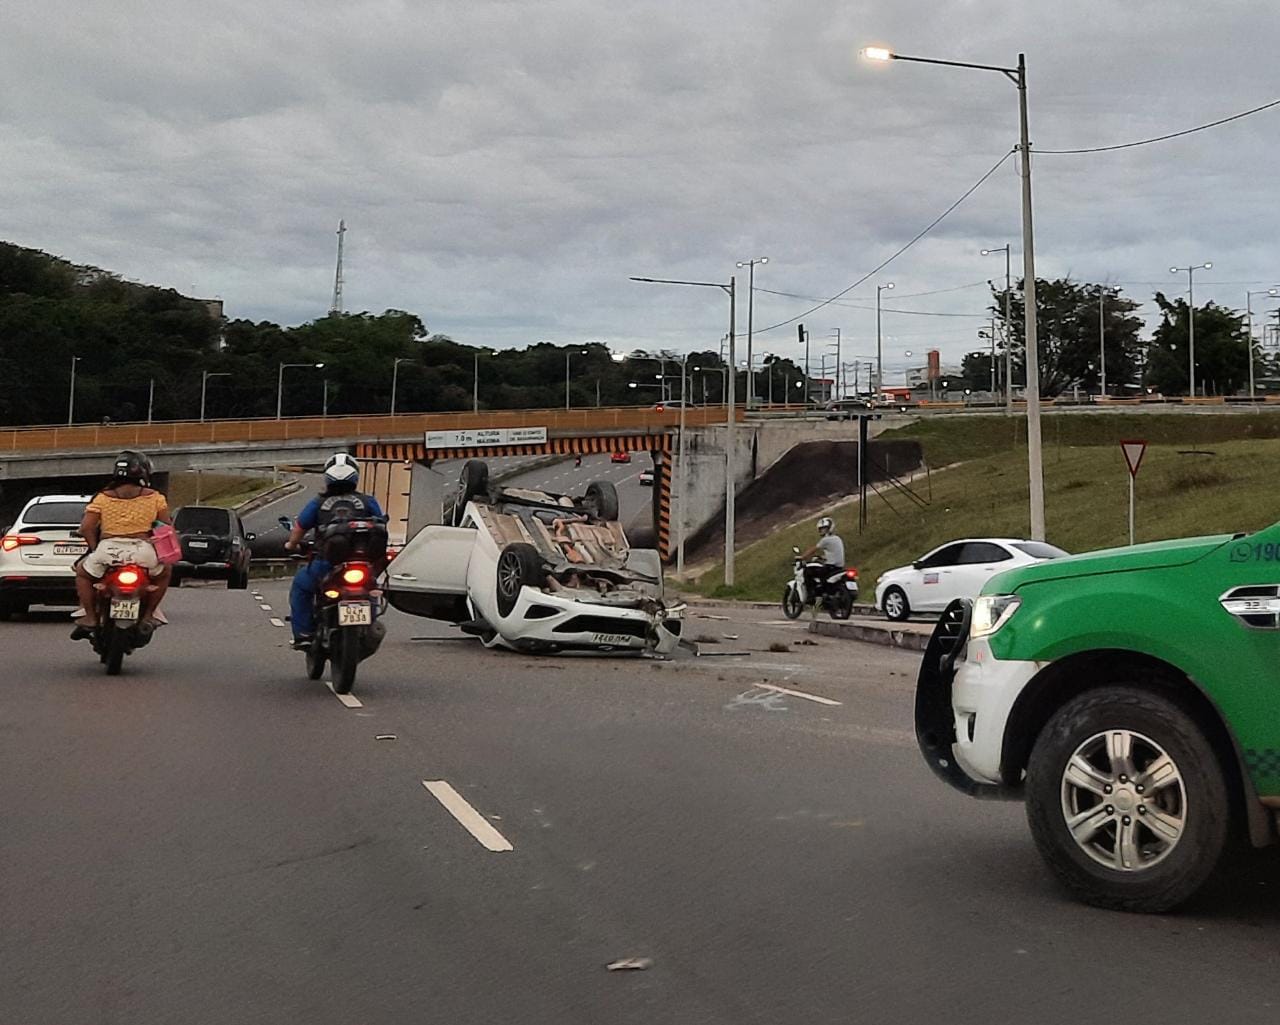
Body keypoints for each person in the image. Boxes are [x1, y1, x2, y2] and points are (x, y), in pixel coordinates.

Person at [285, 453, 385, 648]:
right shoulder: (368, 501)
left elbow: (299, 528)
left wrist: (290, 545)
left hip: (326, 564)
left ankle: (304, 633)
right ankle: (369, 626)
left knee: (301, 586)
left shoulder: (318, 503)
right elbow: (381, 524)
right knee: (371, 588)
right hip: (363, 564)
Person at [71, 450, 172, 639]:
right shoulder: (155, 497)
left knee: (82, 573)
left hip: (108, 550)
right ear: (143, 472)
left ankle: (91, 618)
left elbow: (86, 528)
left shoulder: (103, 497)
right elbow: (165, 528)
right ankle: (149, 615)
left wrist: (94, 549)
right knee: (165, 572)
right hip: (144, 552)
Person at [800, 516, 845, 602]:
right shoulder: (837, 538)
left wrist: (802, 557)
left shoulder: (825, 540)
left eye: (824, 528)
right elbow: (834, 552)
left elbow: (813, 549)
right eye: (820, 529)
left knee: (807, 572)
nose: (821, 530)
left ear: (829, 528)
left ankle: (811, 596)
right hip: (839, 567)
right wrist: (822, 557)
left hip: (830, 568)